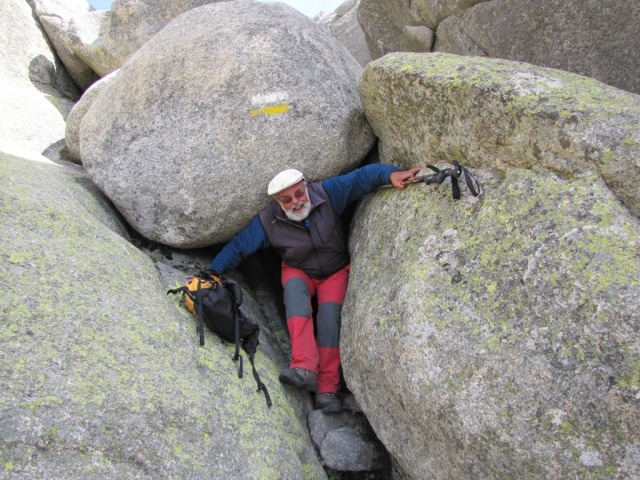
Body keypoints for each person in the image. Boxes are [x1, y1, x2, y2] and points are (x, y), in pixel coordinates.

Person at [208, 163, 423, 413]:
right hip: (298, 269)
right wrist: (211, 274)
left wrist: (390, 174)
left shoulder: (327, 193)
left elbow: (360, 178)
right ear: (278, 202)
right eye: (287, 199)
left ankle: (327, 390)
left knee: (330, 320)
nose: (296, 202)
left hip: (335, 271)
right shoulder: (268, 221)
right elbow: (239, 246)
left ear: (306, 187)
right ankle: (304, 368)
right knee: (296, 302)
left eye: (299, 193)